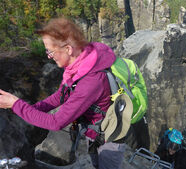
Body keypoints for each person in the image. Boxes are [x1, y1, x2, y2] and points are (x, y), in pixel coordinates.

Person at [0, 17, 126, 169]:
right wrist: (27, 109)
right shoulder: (79, 66)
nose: (48, 56)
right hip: (95, 132)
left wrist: (16, 105)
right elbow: (60, 97)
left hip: (109, 139)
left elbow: (56, 122)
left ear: (68, 49)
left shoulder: (91, 81)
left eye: (51, 51)